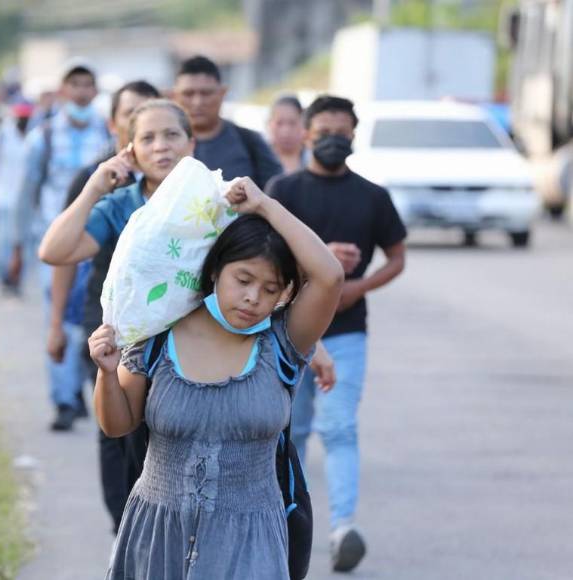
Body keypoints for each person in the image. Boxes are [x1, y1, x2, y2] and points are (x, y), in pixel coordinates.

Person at [89, 176, 343, 579]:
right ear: (214, 272)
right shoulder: (157, 334)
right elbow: (117, 424)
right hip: (157, 535)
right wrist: (106, 373)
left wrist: (263, 206)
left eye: (270, 288)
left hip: (252, 539)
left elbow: (330, 277)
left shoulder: (282, 340)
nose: (253, 298)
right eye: (243, 280)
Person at [268, 95, 407, 573]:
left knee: (340, 427)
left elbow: (398, 257)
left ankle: (343, 526)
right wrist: (321, 260)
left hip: (347, 331)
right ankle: (289, 522)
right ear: (306, 134)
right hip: (290, 332)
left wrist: (356, 287)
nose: (332, 139)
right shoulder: (282, 191)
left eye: (341, 131)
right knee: (292, 429)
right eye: (323, 130)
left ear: (353, 135)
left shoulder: (373, 196)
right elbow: (261, 260)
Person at [38, 98, 194, 526]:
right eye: (147, 138)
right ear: (130, 151)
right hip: (133, 353)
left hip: (196, 354)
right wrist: (94, 187)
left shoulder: (214, 203)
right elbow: (53, 251)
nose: (161, 146)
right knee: (132, 450)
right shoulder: (121, 204)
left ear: (191, 144)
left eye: (171, 135)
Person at [22, 63, 111, 432]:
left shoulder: (107, 136)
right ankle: (64, 399)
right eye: (74, 85)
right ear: (62, 90)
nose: (81, 92)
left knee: (91, 316)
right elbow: (28, 191)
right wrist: (19, 243)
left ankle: (93, 390)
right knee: (57, 316)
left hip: (95, 240)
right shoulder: (42, 136)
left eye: (87, 85)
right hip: (57, 242)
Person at [172, 55, 282, 187]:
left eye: (206, 93)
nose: (198, 102)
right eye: (188, 94)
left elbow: (276, 194)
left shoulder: (249, 141)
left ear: (222, 93)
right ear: (174, 96)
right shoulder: (164, 146)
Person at [0, 101, 33, 294]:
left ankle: (17, 278)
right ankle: (4, 278)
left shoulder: (33, 136)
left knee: (22, 241)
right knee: (3, 239)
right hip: (2, 196)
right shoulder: (0, 134)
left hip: (24, 200)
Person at [268, 94, 308, 174]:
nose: (286, 131)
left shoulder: (313, 160)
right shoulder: (258, 158)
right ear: (269, 124)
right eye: (279, 123)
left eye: (292, 123)